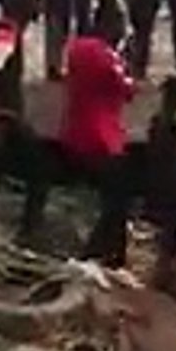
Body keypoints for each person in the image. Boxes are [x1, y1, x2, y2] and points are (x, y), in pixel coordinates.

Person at [61, 16, 136, 268]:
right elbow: (127, 89)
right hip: (104, 138)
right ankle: (99, 253)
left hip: (77, 130)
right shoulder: (107, 56)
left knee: (111, 199)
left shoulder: (75, 48)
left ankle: (110, 253)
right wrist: (128, 63)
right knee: (118, 201)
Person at [147, 76, 176, 297]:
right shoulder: (169, 124)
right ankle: (164, 276)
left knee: (170, 230)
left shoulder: (158, 120)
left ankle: (164, 273)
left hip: (162, 180)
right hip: (171, 182)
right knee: (171, 230)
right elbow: (173, 158)